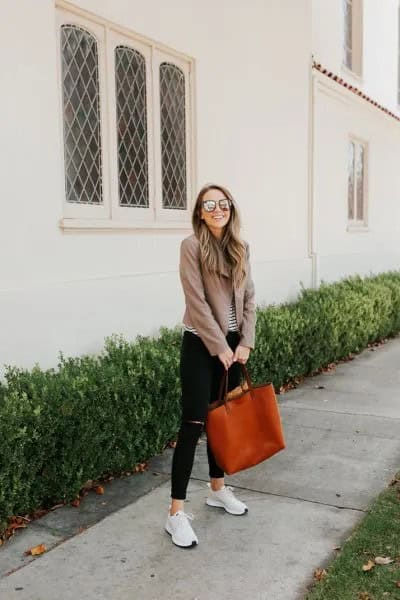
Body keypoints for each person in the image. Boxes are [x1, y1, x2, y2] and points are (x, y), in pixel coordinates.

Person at [165, 183, 256, 548]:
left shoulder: (241, 247)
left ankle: (217, 489)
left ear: (231, 208)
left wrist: (244, 341)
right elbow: (196, 301)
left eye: (223, 203)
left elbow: (249, 297)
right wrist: (219, 346)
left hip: (234, 347)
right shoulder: (191, 247)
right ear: (200, 212)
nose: (217, 209)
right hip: (201, 344)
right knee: (194, 424)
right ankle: (175, 514)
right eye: (208, 205)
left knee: (222, 418)